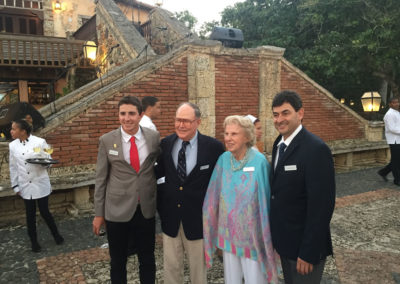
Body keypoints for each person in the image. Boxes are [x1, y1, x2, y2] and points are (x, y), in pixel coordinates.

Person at [203, 115, 279, 283]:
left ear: (247, 137)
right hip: (229, 235)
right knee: (232, 280)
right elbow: (212, 196)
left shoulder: (259, 162)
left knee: (255, 280)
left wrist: (268, 237)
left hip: (252, 238)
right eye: (226, 133)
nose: (228, 138)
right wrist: (213, 229)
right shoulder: (223, 160)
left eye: (234, 134)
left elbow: (267, 202)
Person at [92, 96, 160, 284]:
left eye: (131, 113)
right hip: (116, 210)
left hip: (145, 208)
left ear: (140, 115)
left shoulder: (153, 138)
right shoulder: (107, 140)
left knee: (147, 259)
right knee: (118, 261)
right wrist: (99, 213)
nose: (127, 118)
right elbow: (101, 179)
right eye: (123, 114)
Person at [270, 90, 335, 284]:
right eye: (275, 114)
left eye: (285, 113)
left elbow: (322, 206)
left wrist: (308, 252)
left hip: (304, 249)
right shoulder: (278, 144)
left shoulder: (316, 149)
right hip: (285, 243)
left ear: (300, 113)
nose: (279, 119)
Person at [156, 102, 224, 284]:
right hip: (171, 219)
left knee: (198, 271)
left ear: (198, 122)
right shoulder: (166, 144)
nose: (181, 125)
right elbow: (159, 177)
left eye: (186, 121)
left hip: (198, 221)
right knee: (171, 269)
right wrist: (162, 207)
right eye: (178, 120)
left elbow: (220, 185)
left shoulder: (214, 148)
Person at [9, 119, 64, 252]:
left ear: (23, 131)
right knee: (30, 215)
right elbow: (13, 167)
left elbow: (49, 160)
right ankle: (34, 242)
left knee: (45, 213)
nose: (11, 131)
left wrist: (44, 163)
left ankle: (57, 236)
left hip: (40, 183)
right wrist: (15, 186)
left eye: (14, 129)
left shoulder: (39, 142)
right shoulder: (12, 145)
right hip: (25, 185)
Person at [377, 97, 400, 185]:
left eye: (397, 102)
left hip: (398, 139)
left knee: (396, 160)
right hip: (394, 140)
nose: (397, 104)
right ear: (390, 104)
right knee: (396, 161)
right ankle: (397, 180)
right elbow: (391, 129)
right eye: (394, 103)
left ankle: (383, 172)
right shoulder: (389, 114)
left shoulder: (397, 113)